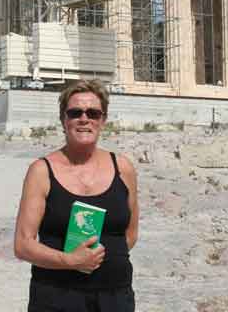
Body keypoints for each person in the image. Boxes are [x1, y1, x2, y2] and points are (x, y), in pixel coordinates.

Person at [14, 79, 139, 312]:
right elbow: (23, 245)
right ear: (63, 120)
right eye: (75, 113)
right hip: (56, 297)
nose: (84, 119)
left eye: (93, 113)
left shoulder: (123, 168)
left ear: (103, 120)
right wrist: (71, 261)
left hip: (115, 298)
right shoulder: (41, 171)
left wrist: (103, 264)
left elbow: (129, 235)